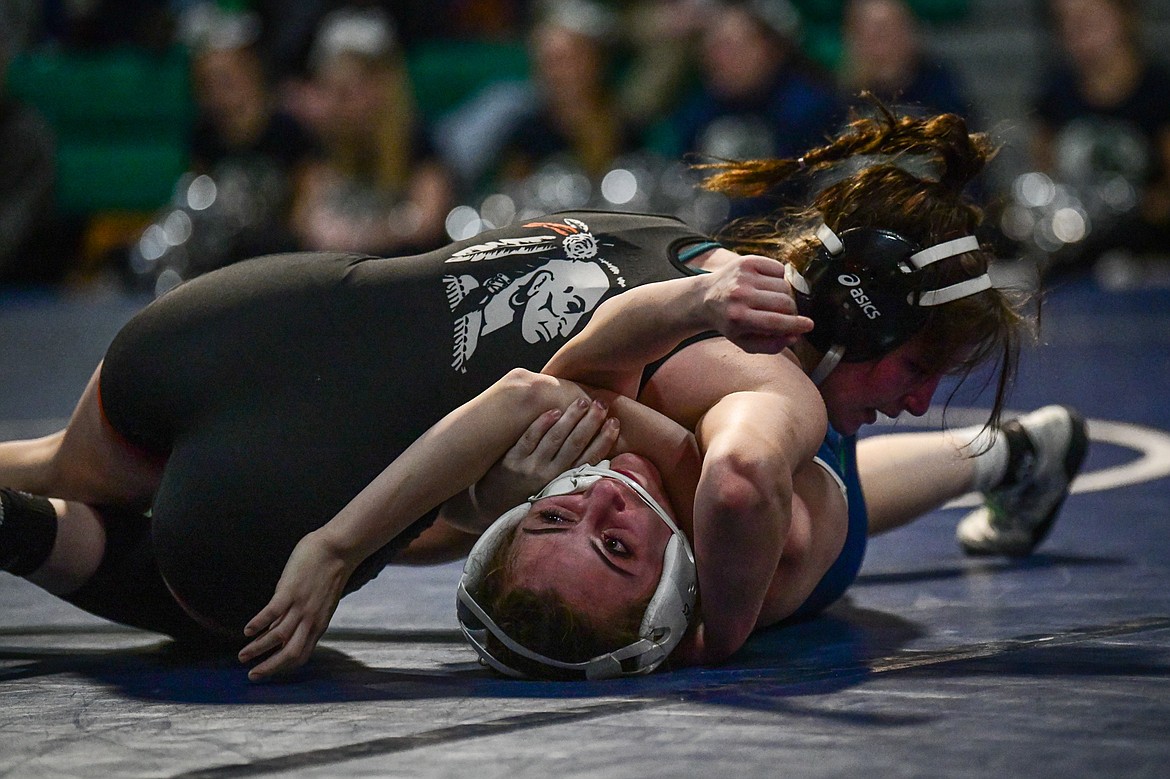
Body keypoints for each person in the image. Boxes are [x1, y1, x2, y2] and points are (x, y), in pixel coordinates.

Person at [0, 110, 1084, 681]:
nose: (918, 394)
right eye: (920, 373)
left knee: (54, 460)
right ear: (872, 330)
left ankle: (1011, 453)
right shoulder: (768, 389)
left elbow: (553, 379)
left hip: (231, 321)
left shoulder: (696, 276)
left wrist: (677, 317)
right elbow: (745, 475)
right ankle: (1009, 455)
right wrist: (720, 631)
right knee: (812, 504)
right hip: (290, 470)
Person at [286, 6, 455, 255]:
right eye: (332, 91)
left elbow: (428, 221)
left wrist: (365, 235)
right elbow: (303, 222)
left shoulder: (417, 141)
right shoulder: (321, 147)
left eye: (348, 93)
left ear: (383, 85)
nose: (340, 105)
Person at [1029, 0, 1170, 275]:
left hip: (1151, 254)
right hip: (1076, 251)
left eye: (1090, 19)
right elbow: (1045, 182)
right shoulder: (1054, 94)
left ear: (1126, 19)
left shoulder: (1159, 92)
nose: (1077, 30)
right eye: (1065, 22)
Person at [838, 0, 972, 120]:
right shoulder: (841, 101)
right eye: (873, 34)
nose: (883, 44)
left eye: (888, 31)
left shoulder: (941, 89)